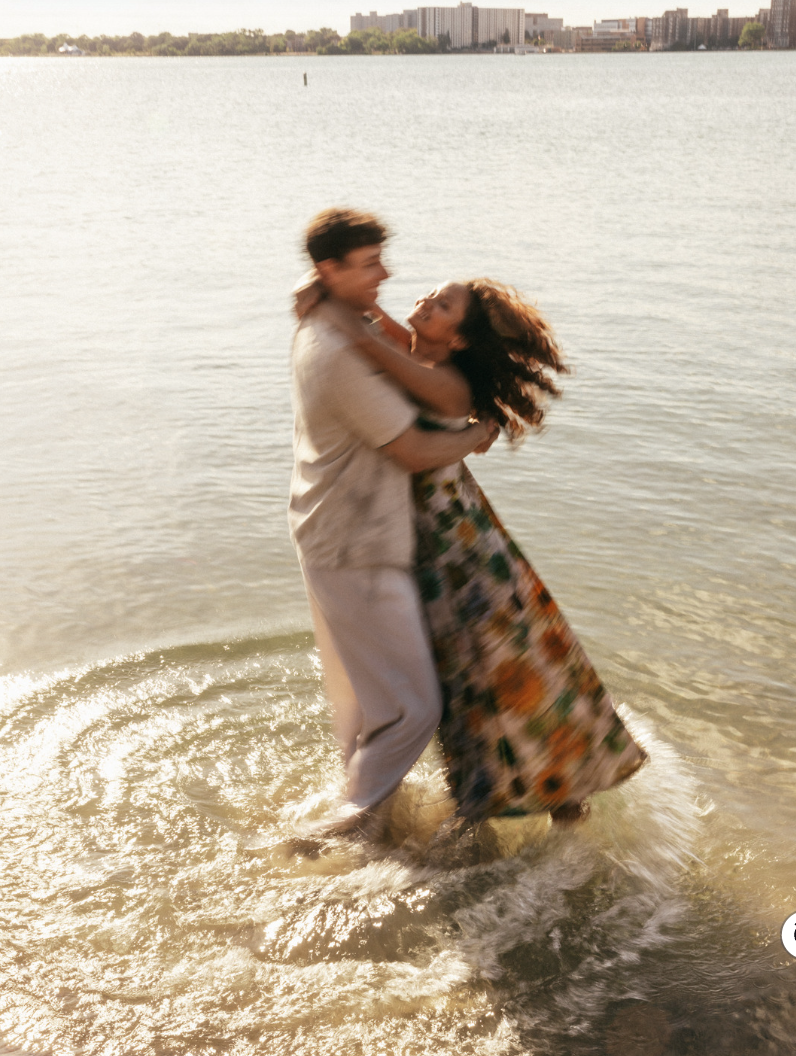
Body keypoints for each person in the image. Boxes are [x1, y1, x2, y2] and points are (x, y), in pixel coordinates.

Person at [306, 278, 648, 825]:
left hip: (457, 550)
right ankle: (524, 800)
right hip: (440, 541)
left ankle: (548, 803)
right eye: (429, 295)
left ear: (459, 340)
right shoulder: (421, 355)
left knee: (488, 674)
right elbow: (386, 332)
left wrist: (332, 304)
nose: (423, 303)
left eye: (442, 306)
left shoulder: (445, 387)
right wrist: (338, 293)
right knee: (473, 677)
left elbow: (371, 344)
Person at [289, 209, 498, 836]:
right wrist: (477, 435)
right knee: (413, 710)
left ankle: (368, 832)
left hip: (334, 534)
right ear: (331, 269)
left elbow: (412, 367)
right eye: (371, 263)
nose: (388, 274)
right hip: (358, 547)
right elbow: (407, 450)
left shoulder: (337, 317)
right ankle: (339, 832)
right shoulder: (337, 347)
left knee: (368, 708)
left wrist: (323, 294)